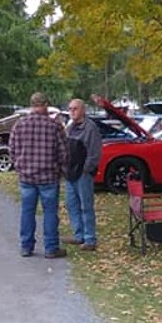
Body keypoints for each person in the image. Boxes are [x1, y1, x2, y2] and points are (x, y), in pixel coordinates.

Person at [10, 92, 69, 258]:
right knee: (50, 213)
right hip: (49, 177)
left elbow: (12, 149)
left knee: (27, 212)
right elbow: (63, 152)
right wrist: (61, 169)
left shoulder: (19, 125)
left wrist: (19, 167)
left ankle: (26, 246)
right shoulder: (55, 126)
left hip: (26, 177)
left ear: (31, 105)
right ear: (45, 105)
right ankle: (51, 248)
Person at [62, 98, 102, 251]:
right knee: (72, 205)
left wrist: (85, 169)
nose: (72, 111)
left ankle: (90, 239)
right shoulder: (70, 127)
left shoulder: (90, 128)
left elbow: (95, 153)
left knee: (86, 207)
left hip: (83, 175)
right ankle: (79, 236)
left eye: (75, 109)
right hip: (70, 173)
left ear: (83, 110)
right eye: (70, 109)